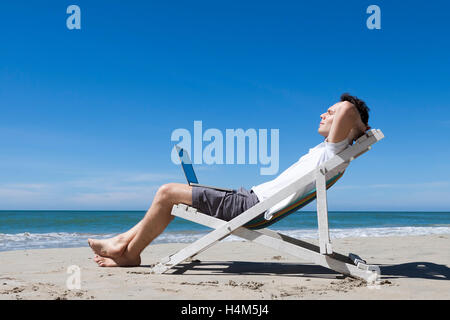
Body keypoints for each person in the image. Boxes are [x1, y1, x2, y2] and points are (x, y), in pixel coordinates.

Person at [88, 93, 370, 267]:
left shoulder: (336, 149)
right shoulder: (330, 153)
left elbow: (347, 109)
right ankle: (124, 244)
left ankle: (127, 252)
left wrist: (358, 124)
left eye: (329, 113)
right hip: (249, 200)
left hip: (249, 206)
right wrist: (355, 126)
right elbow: (346, 112)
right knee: (173, 194)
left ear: (349, 125)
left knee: (166, 192)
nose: (324, 114)